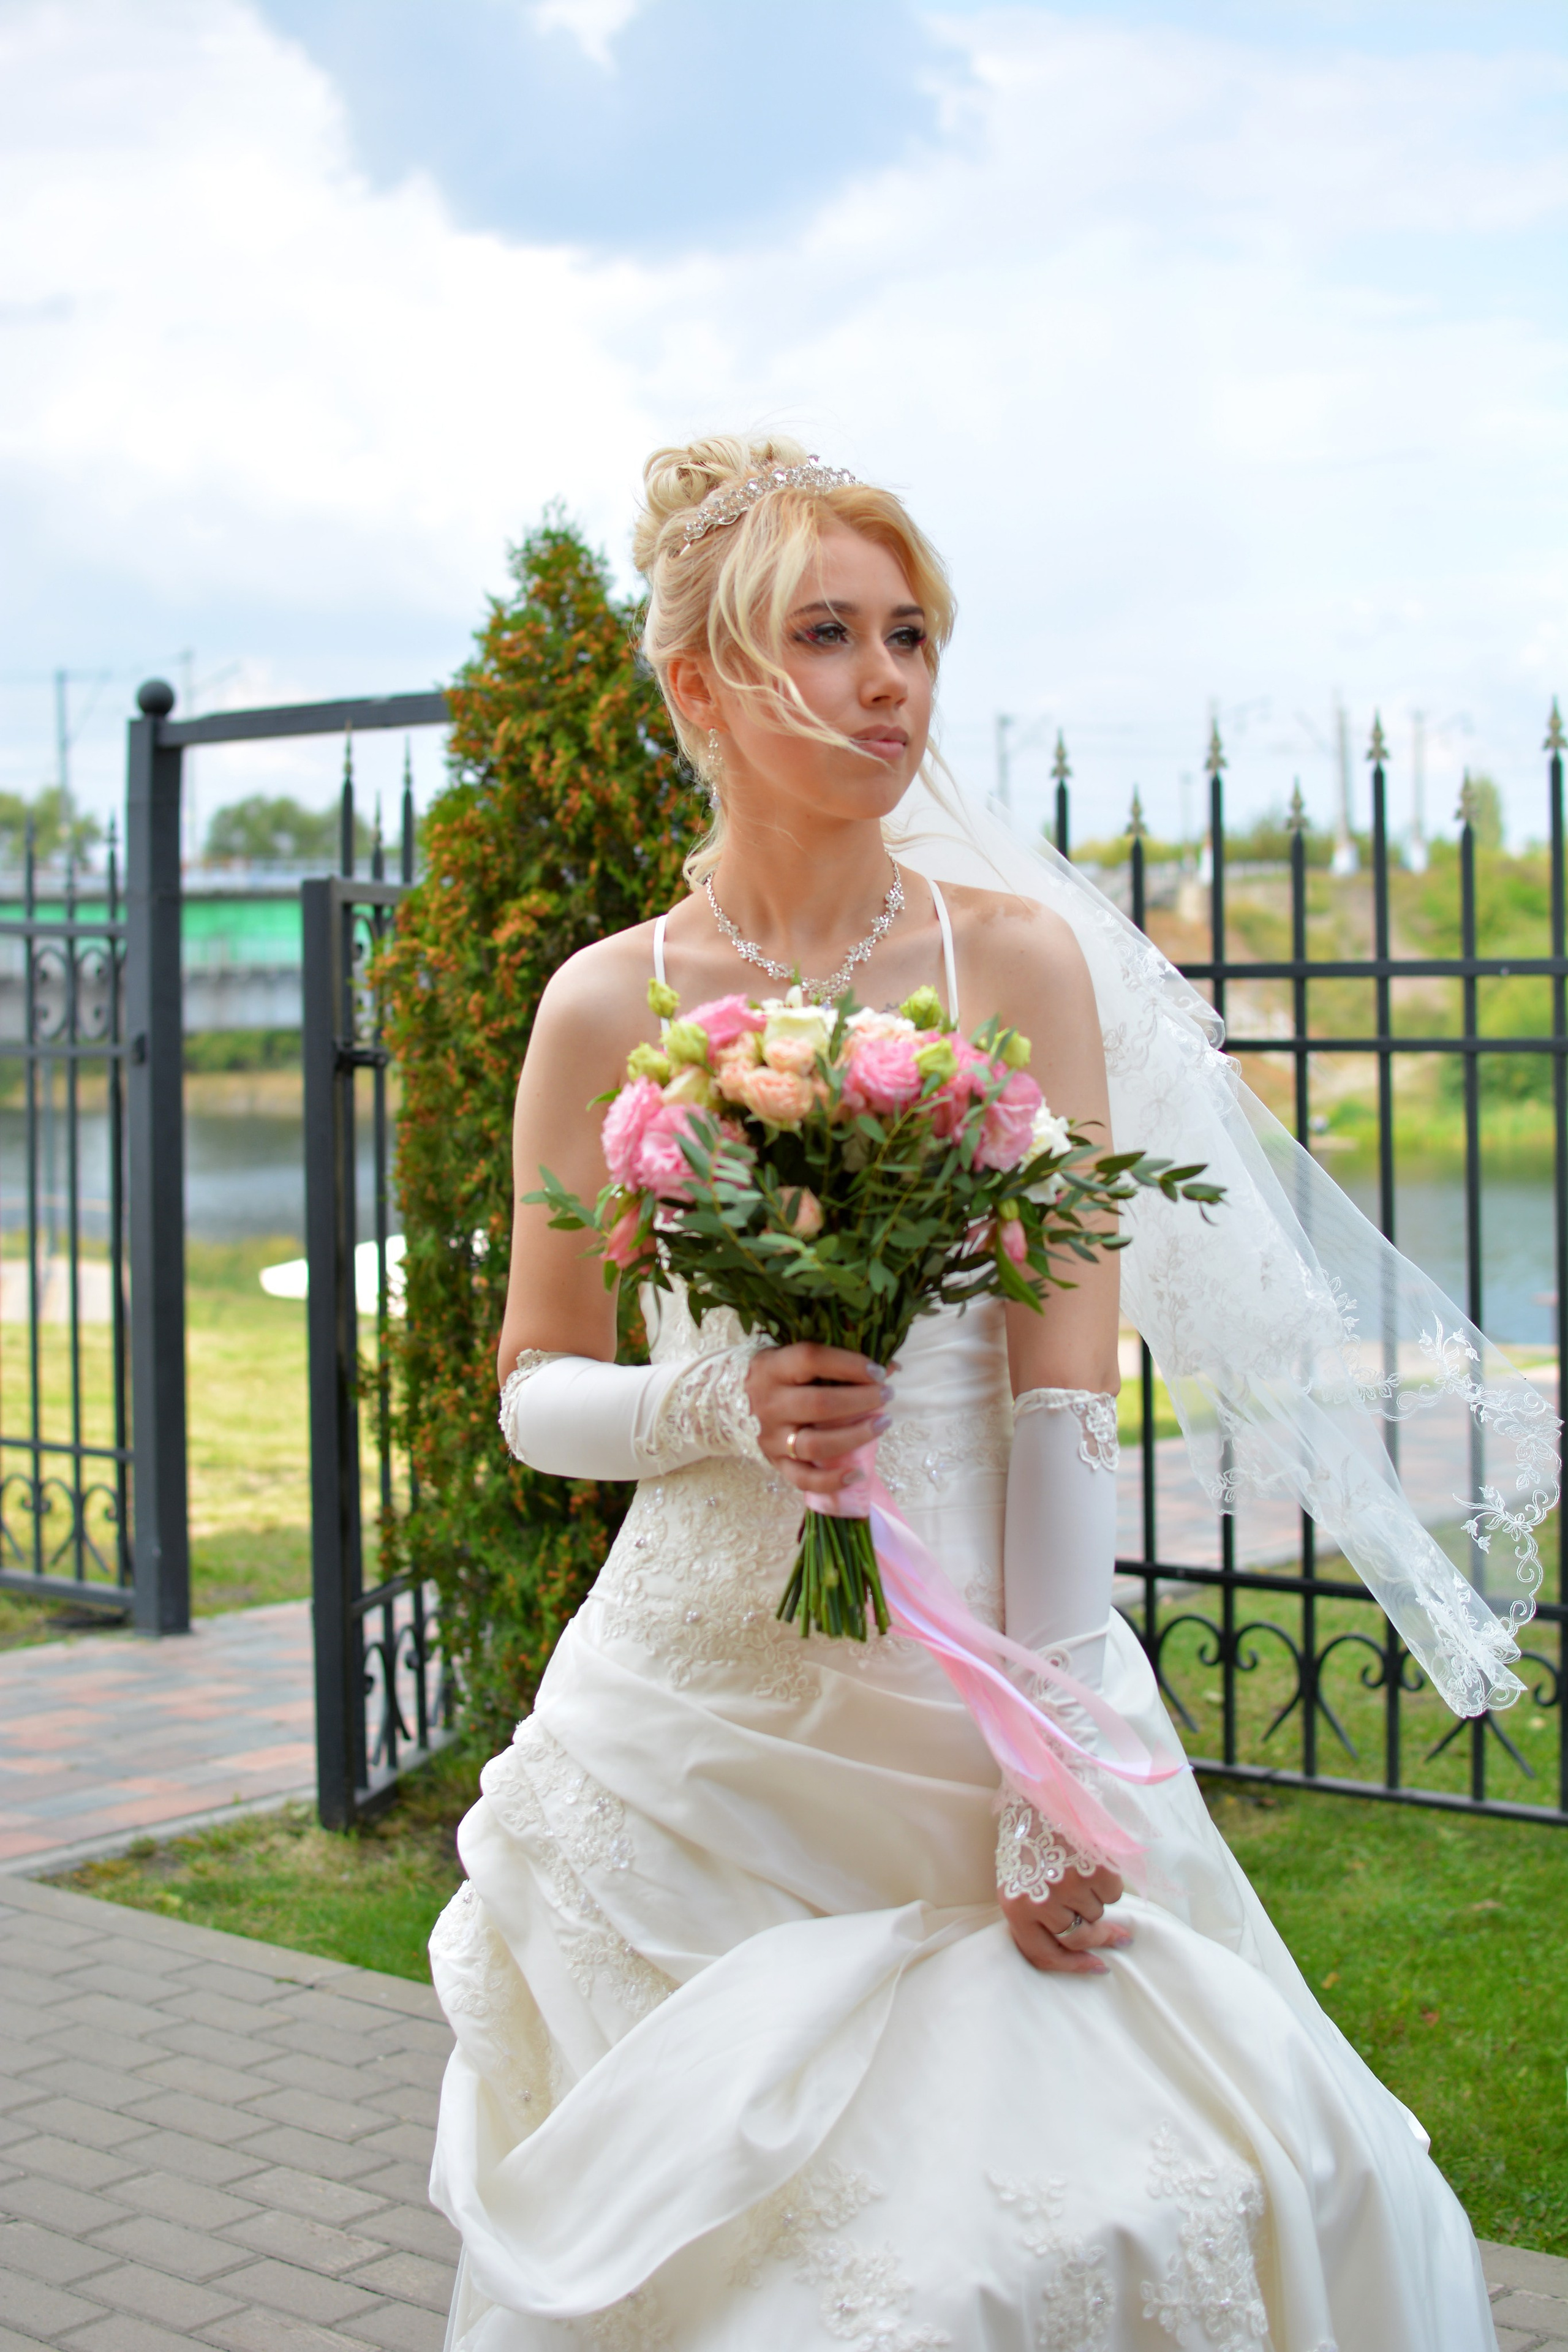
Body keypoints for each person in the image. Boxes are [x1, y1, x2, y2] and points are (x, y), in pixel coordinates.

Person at [428, 434, 1504, 2349]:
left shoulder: (1015, 967)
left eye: (912, 635)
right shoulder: (603, 1001)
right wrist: (707, 1411)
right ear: (699, 687)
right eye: (825, 636)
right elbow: (531, 1381)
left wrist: (1055, 1758)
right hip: (697, 1731)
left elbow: (1058, 1401)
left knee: (1118, 2213)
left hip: (972, 1696)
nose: (888, 682)